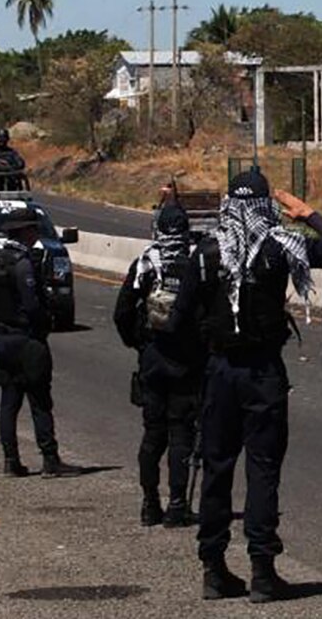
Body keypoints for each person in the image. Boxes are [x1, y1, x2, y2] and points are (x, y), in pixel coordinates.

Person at [172, 171, 322, 603]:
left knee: (217, 469)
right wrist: (306, 213)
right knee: (263, 470)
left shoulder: (206, 251)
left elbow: (178, 321)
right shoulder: (280, 245)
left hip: (220, 372)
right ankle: (262, 572)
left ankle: (213, 569)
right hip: (262, 374)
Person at [114, 197, 206, 528]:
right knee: (181, 433)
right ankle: (178, 505)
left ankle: (149, 504)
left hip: (153, 360)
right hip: (186, 362)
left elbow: (122, 312)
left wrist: (139, 343)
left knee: (153, 435)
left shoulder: (146, 264)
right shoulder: (198, 262)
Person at [0, 207, 81, 479]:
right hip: (26, 339)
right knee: (40, 401)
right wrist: (45, 320)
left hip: (2, 338)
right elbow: (32, 304)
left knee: (9, 402)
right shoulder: (23, 263)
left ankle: (10, 460)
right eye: (34, 229)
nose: (36, 235)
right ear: (25, 231)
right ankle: (50, 459)